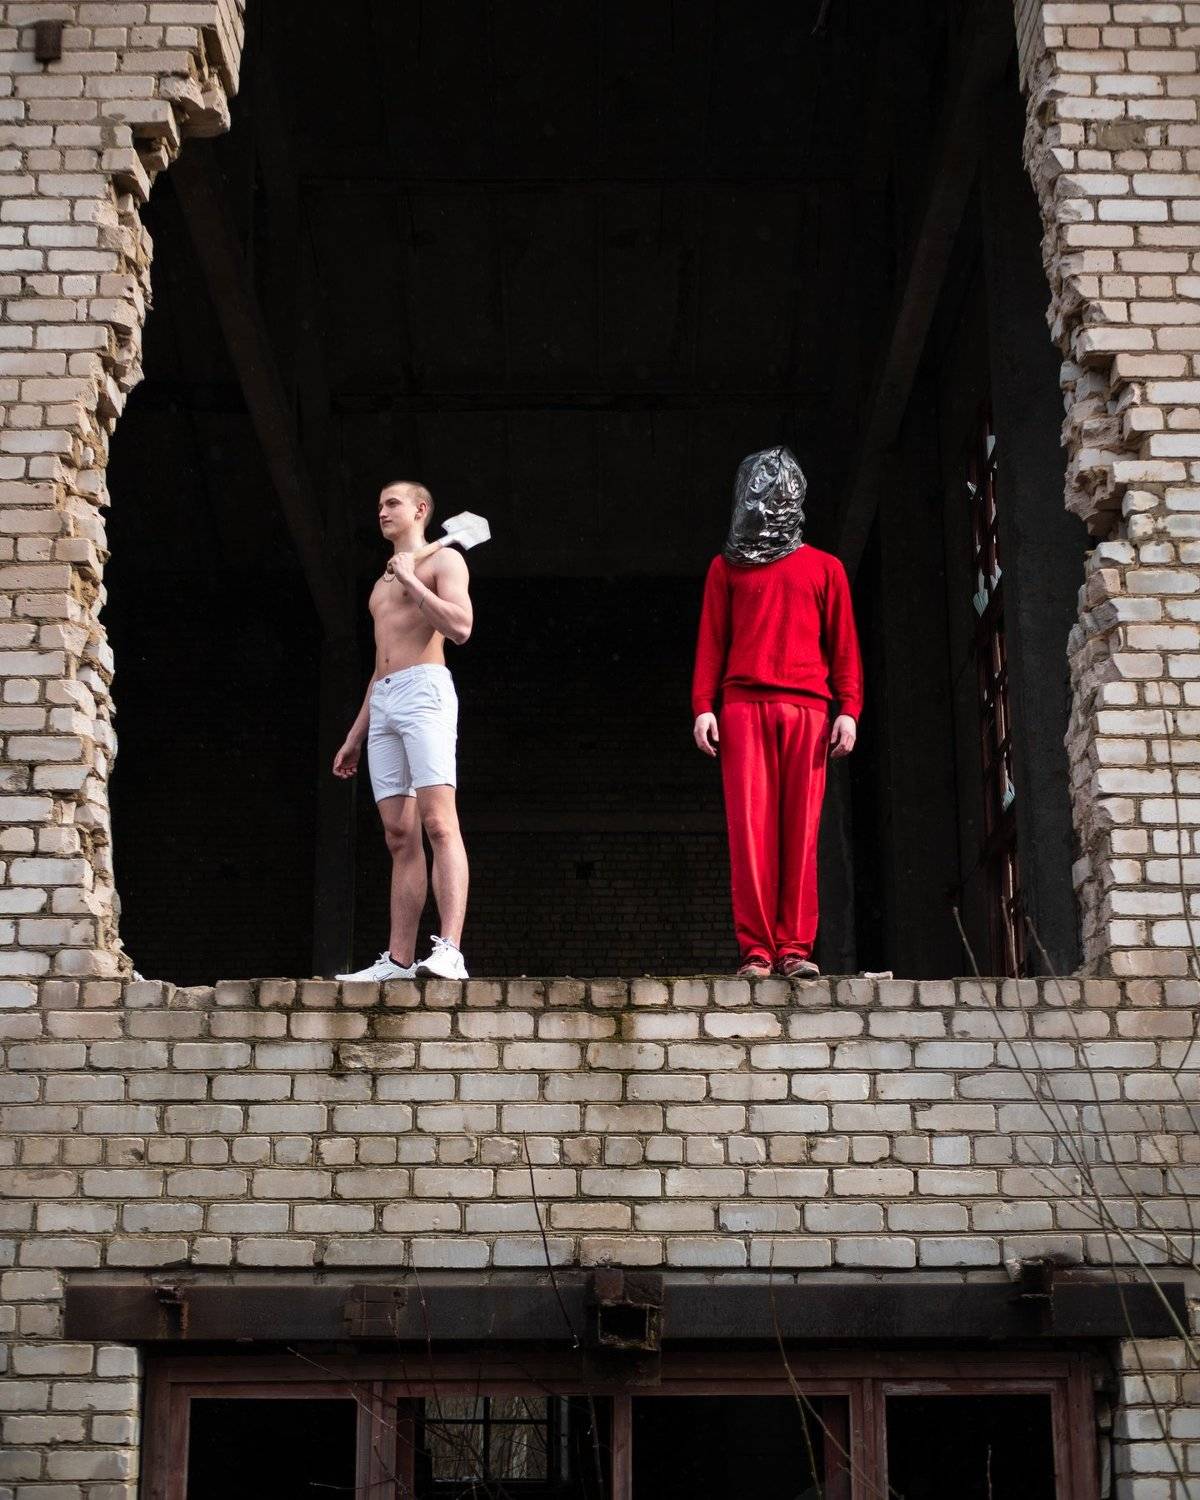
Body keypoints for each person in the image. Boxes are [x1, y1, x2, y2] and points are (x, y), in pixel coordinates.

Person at [691, 446, 862, 979]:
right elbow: (712, 641)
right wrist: (703, 707)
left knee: (800, 833)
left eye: (775, 493)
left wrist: (849, 709)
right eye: (756, 492)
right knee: (750, 834)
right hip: (743, 707)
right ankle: (757, 950)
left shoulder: (826, 568)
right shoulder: (725, 568)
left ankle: (792, 948)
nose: (765, 502)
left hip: (809, 709)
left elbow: (844, 646)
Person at [332, 480, 473, 981]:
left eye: (392, 503)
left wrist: (414, 581)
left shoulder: (443, 561)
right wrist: (355, 734)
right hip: (386, 700)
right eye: (379, 505)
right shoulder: (379, 585)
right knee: (398, 834)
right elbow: (379, 668)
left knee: (439, 822)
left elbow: (461, 627)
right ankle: (398, 960)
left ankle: (450, 950)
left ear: (420, 510)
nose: (382, 511)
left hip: (426, 691)